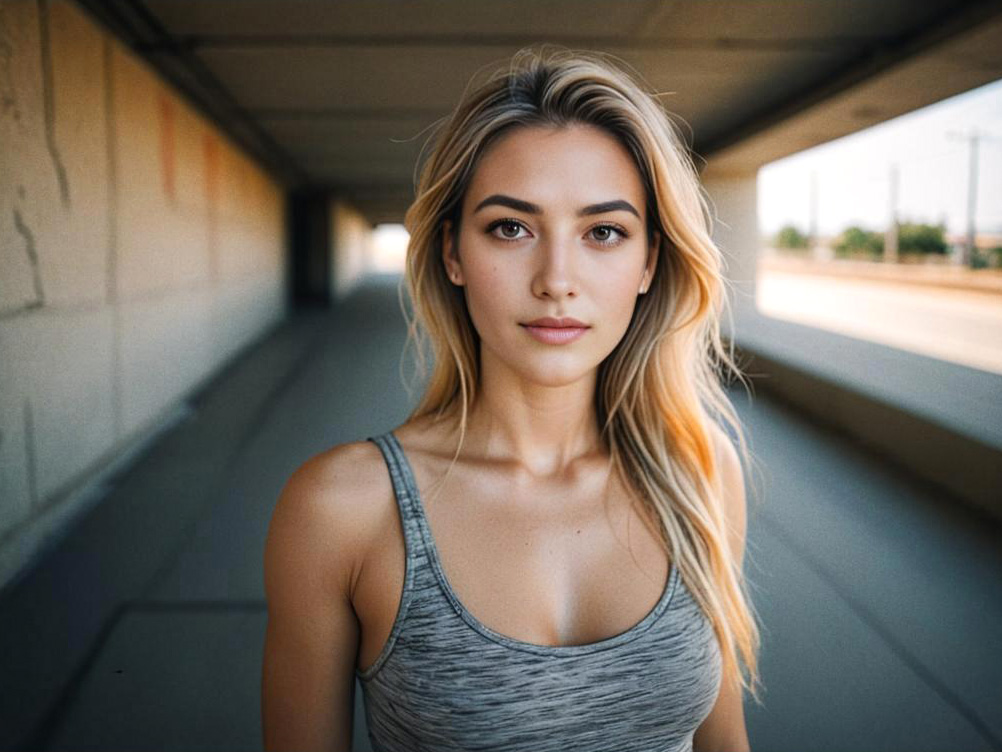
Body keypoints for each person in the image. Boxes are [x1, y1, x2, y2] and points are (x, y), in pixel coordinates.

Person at [261, 47, 762, 752]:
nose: (557, 279)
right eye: (511, 227)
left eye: (604, 232)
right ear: (452, 254)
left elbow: (724, 743)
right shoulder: (342, 510)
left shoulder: (701, 472)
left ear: (650, 260)